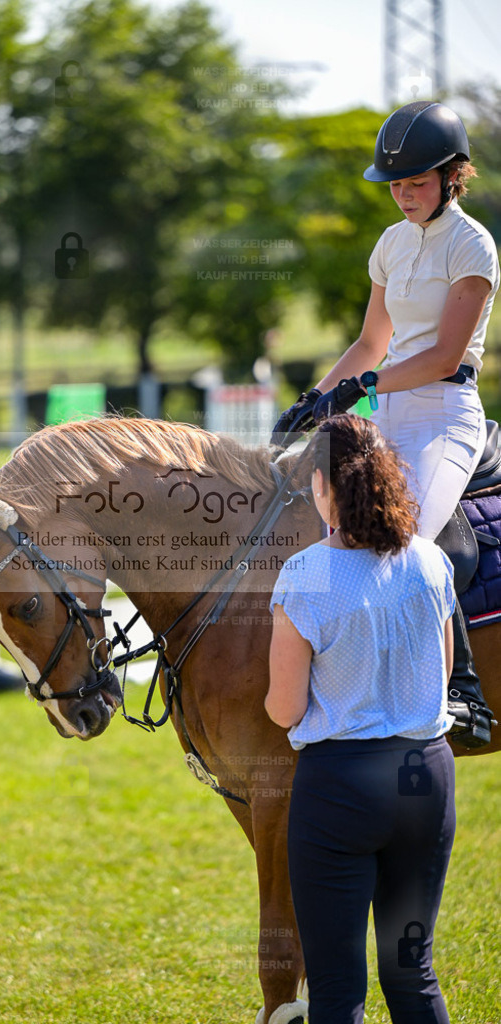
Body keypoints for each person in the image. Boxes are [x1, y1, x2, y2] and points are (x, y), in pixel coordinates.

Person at [273, 99, 500, 748]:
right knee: (326, 533)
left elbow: (441, 355)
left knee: (408, 545)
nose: (403, 195)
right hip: (391, 408)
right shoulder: (390, 245)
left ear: (453, 176)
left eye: (417, 182)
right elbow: (372, 343)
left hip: (446, 415)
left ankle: (464, 692)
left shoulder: (473, 244)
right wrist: (313, 400)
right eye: (396, 184)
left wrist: (362, 388)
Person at [266, 413, 456, 1024]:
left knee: (337, 988)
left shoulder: (303, 575)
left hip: (340, 788)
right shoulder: (431, 562)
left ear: (323, 486)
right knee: (414, 973)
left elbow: (285, 707)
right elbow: (443, 674)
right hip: (426, 777)